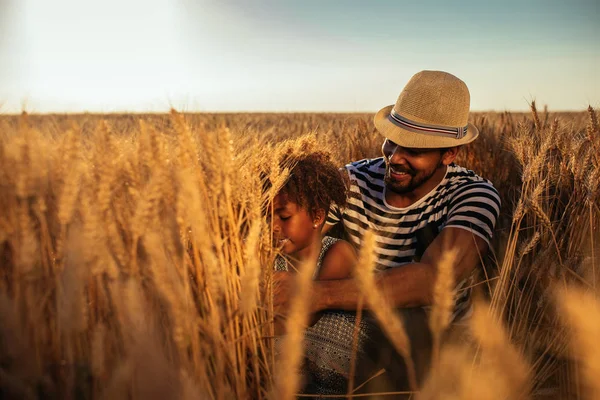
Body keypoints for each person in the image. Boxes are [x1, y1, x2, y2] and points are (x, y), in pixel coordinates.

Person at [273, 70, 502, 390]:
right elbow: (296, 228)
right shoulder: (353, 180)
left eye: (415, 150)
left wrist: (318, 295)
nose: (395, 158)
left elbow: (434, 280)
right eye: (393, 141)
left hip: (434, 348)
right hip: (348, 326)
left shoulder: (473, 195)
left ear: (449, 155)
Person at [269, 150, 375, 396]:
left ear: (317, 216)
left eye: (284, 217)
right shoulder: (272, 258)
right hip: (295, 362)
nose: (273, 226)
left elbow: (308, 314)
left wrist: (245, 333)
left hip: (336, 367)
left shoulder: (337, 252)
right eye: (267, 216)